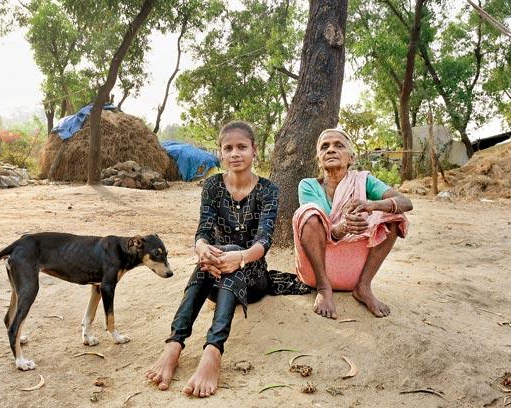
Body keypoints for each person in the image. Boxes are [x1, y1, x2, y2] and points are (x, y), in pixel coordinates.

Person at [146, 121, 279, 398]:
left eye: (242, 147)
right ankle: (174, 344)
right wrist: (201, 248)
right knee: (215, 250)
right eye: (228, 148)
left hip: (252, 277)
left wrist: (238, 257)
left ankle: (212, 350)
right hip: (213, 275)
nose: (235, 153)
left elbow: (264, 242)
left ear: (254, 150)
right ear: (220, 153)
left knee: (229, 247)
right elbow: (203, 230)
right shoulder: (212, 186)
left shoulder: (269, 190)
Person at [293, 129, 412, 319]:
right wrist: (343, 228)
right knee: (307, 214)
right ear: (319, 160)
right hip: (317, 270)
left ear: (351, 159)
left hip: (353, 269)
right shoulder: (308, 185)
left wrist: (371, 205)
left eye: (339, 146)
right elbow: (316, 227)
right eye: (325, 147)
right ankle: (324, 289)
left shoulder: (362, 181)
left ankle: (363, 287)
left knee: (395, 216)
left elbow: (406, 203)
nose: (331, 150)